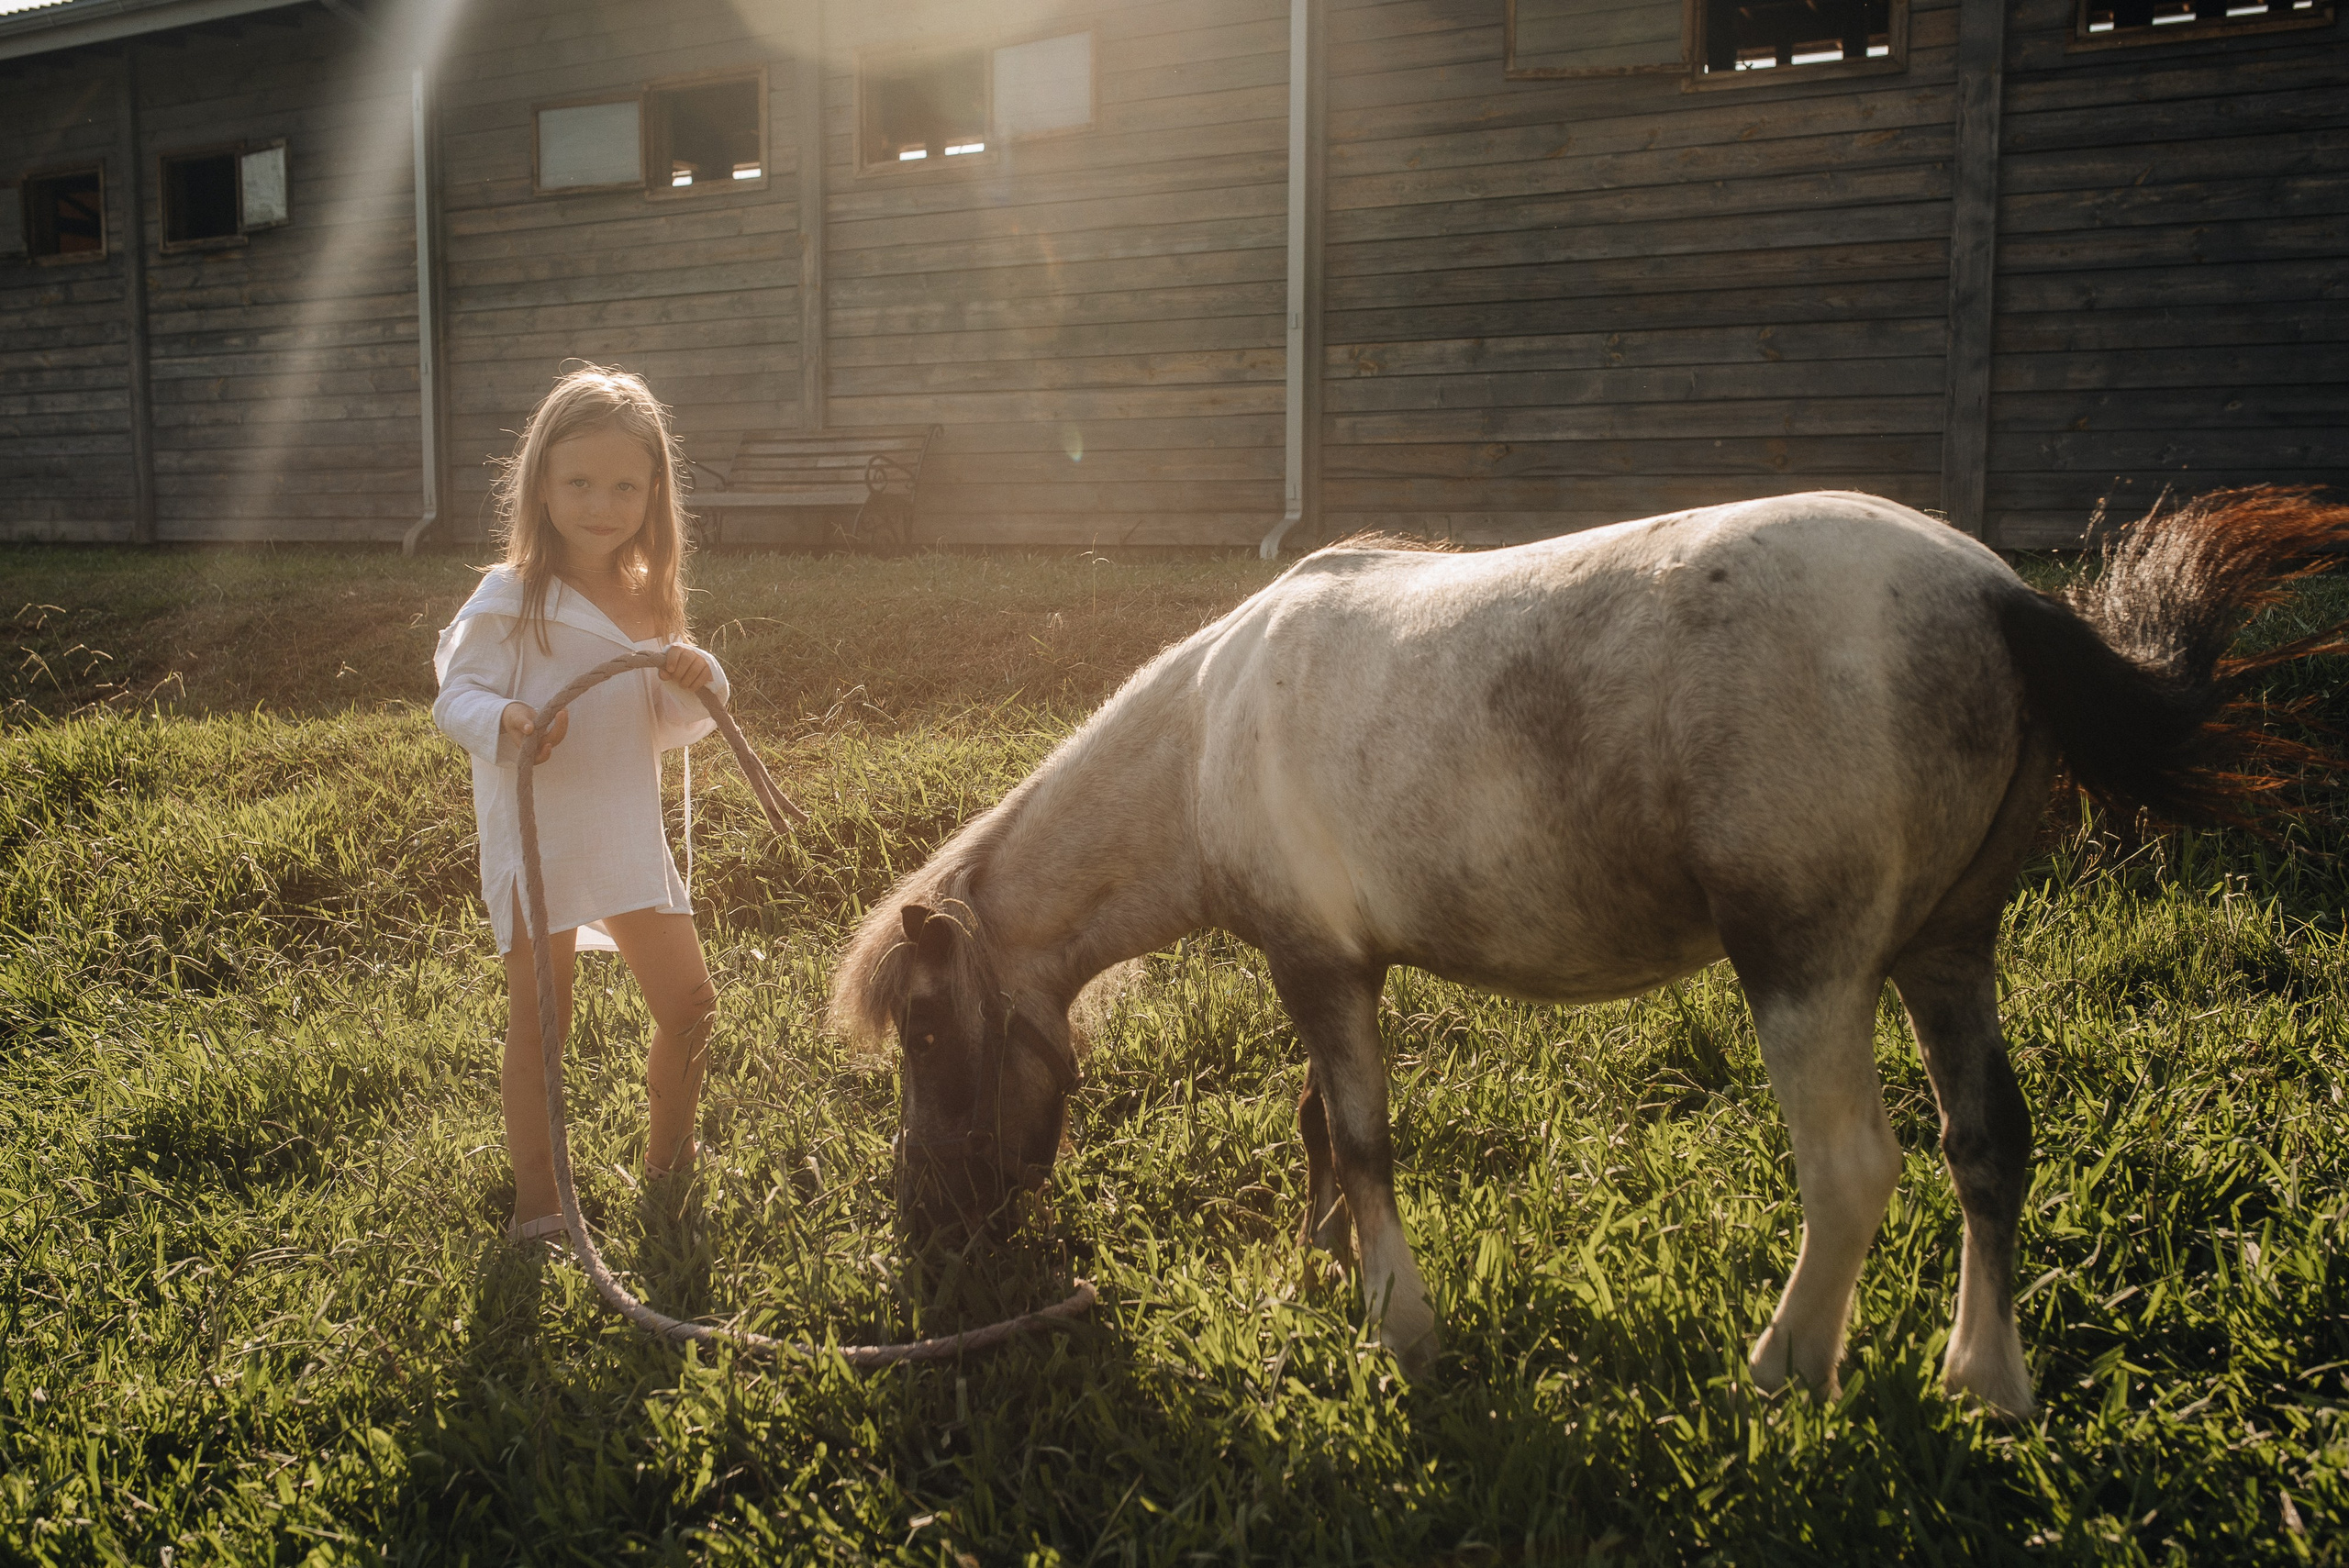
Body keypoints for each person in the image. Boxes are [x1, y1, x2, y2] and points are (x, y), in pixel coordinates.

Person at [432, 365, 723, 1245]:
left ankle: (671, 1164)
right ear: (543, 485)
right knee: (543, 1021)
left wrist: (695, 677)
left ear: (654, 492)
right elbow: (455, 695)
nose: (604, 503)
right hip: (541, 837)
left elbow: (668, 723)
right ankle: (540, 1205)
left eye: (626, 485)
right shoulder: (509, 597)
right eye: (581, 483)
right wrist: (508, 721)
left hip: (625, 832)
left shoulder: (647, 592)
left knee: (691, 1005)